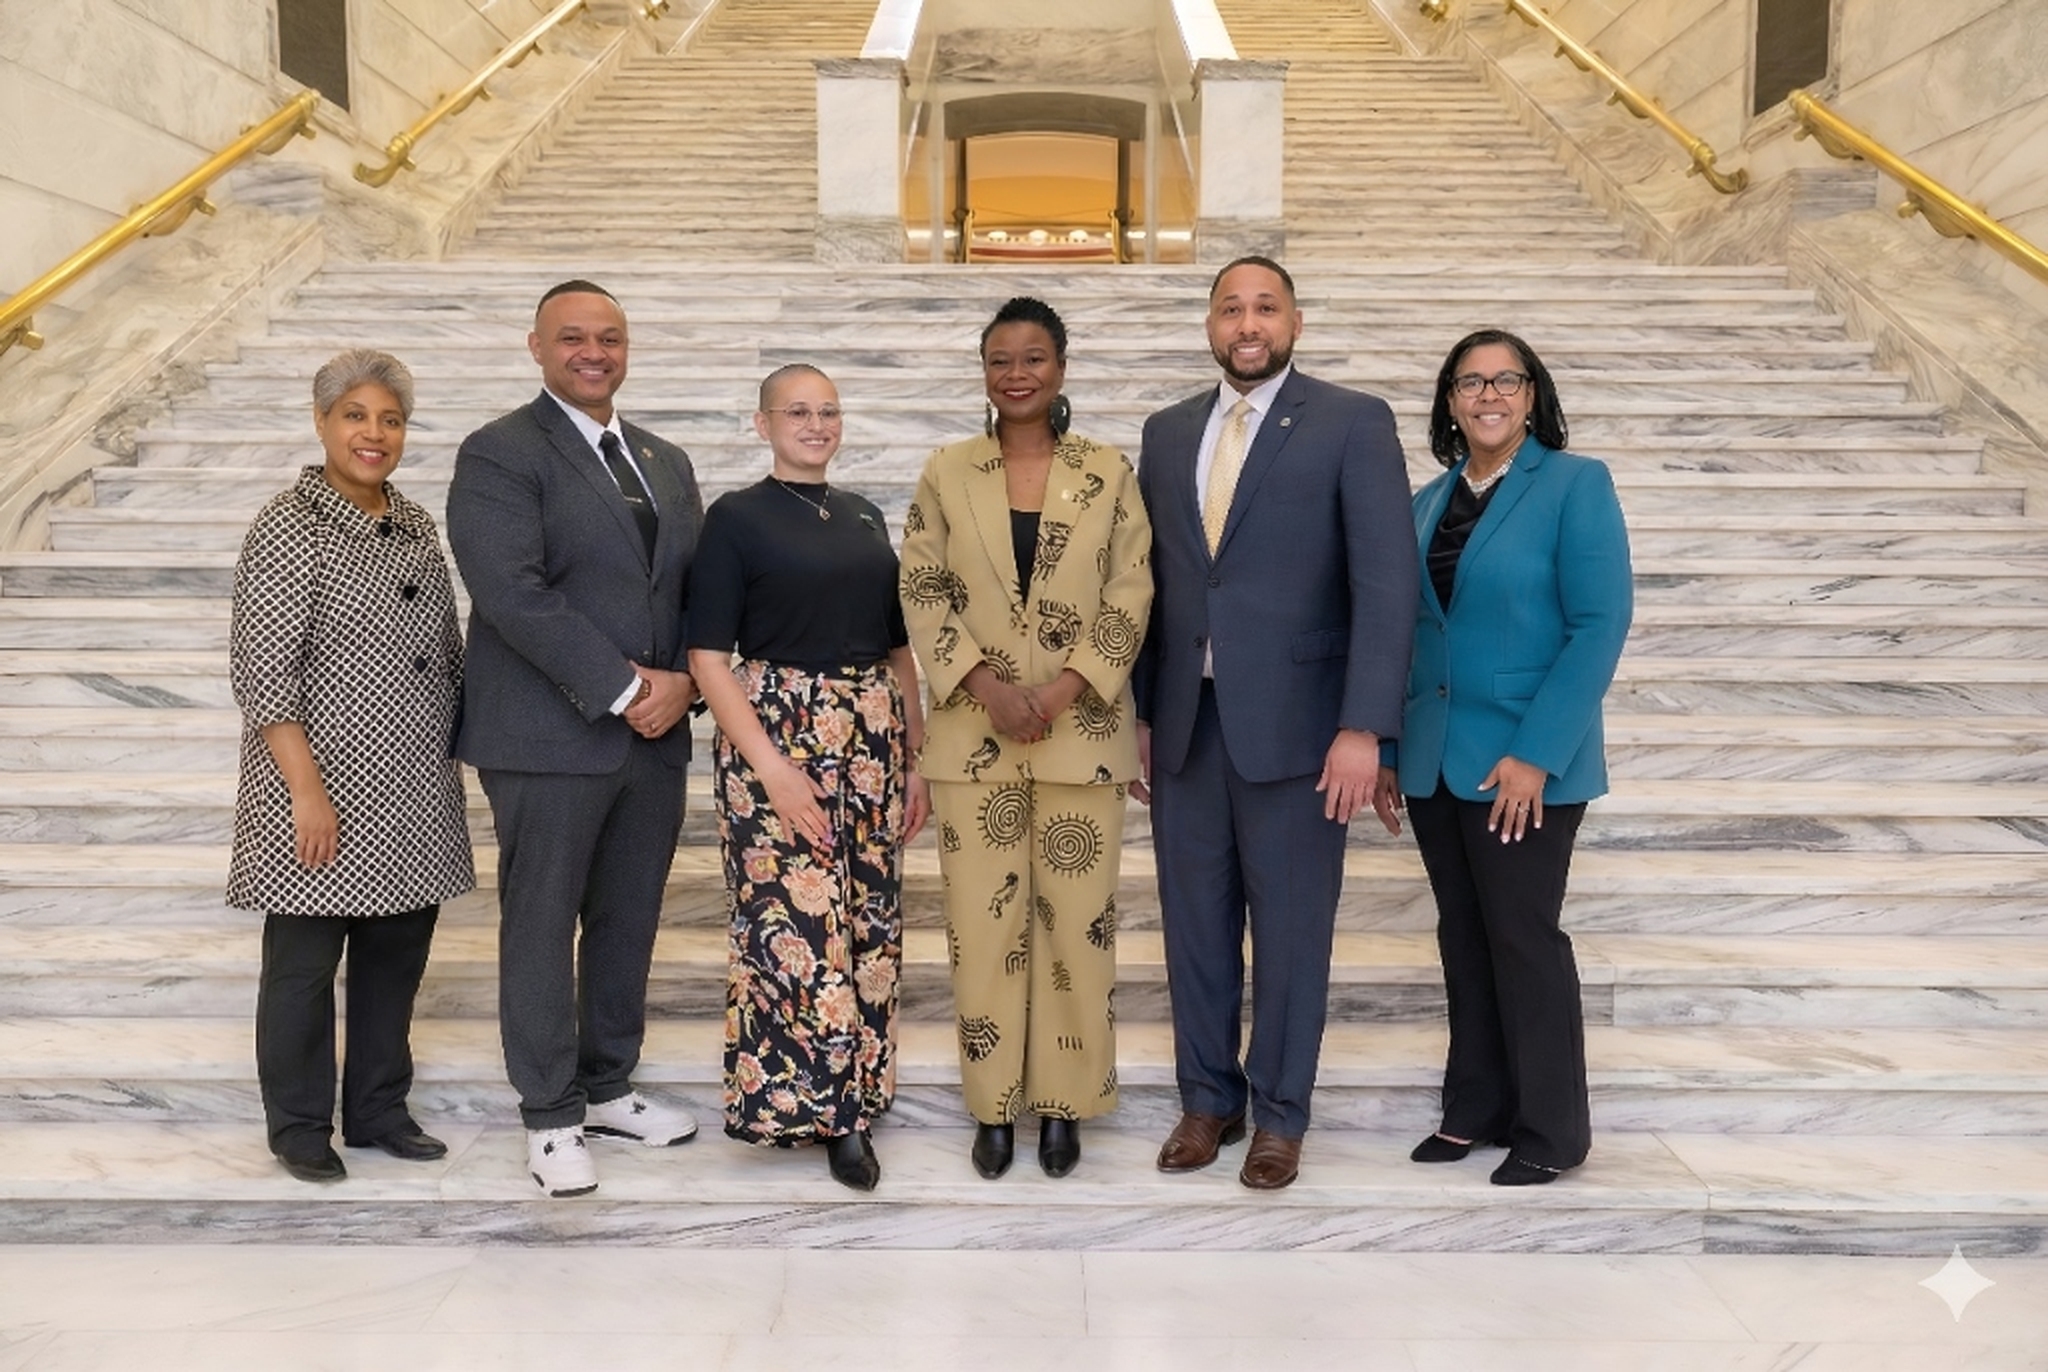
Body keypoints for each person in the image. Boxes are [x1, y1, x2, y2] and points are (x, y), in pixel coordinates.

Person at [1133, 256, 1416, 1191]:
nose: (1246, 324)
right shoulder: (1168, 432)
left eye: (1265, 307)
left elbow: (1386, 584)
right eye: (1230, 309)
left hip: (1303, 733)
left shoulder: (1352, 422)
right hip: (1188, 726)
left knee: (1292, 932)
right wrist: (1141, 713)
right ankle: (1207, 1101)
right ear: (1210, 325)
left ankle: (1281, 1116)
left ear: (1295, 321)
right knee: (1195, 928)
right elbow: (1155, 587)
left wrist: (1365, 727)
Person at [445, 280, 705, 1198]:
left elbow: (691, 589)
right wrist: (627, 688)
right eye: (572, 338)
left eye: (609, 338)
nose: (593, 352)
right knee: (543, 923)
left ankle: (607, 1086)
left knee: (628, 921)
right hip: (547, 737)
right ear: (537, 346)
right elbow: (512, 592)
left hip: (655, 739)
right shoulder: (500, 452)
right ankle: (551, 1117)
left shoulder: (665, 459)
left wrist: (685, 685)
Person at [900, 296, 1153, 1181]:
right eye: (1000, 359)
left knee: (1078, 929)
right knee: (982, 928)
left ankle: (1063, 1105)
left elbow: (1132, 589)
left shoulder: (1108, 472)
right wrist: (986, 687)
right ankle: (993, 1106)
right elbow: (921, 588)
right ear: (984, 372)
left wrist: (1062, 688)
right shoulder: (946, 472)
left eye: (1034, 358)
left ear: (1061, 368)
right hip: (973, 736)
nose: (1017, 374)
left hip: (1082, 734)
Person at [1373, 329, 1632, 1186]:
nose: (1488, 394)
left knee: (1523, 938)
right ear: (1449, 402)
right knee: (1463, 935)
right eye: (1470, 382)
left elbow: (1599, 625)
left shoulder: (1574, 485)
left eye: (1506, 380)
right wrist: (1389, 745)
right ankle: (1475, 1107)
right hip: (1437, 759)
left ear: (1532, 395)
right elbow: (1409, 635)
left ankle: (1552, 1131)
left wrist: (1536, 755)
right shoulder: (1425, 502)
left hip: (1524, 763)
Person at [228, 348, 474, 1184]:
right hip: (319, 781)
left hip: (413, 783)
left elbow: (444, 650)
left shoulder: (415, 522)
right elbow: (264, 671)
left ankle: (376, 1109)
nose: (375, 433)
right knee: (301, 969)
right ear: (322, 422)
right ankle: (299, 1124)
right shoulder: (288, 524)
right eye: (356, 416)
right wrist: (306, 791)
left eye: (391, 419)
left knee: (395, 958)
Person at [686, 365, 930, 1192]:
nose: (816, 423)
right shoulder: (735, 518)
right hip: (779, 740)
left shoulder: (862, 515)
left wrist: (914, 756)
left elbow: (897, 645)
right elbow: (708, 658)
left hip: (871, 742)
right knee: (799, 927)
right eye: (797, 411)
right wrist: (772, 769)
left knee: (869, 924)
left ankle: (861, 1088)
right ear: (763, 424)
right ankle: (826, 1116)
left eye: (828, 411)